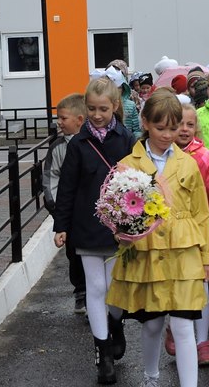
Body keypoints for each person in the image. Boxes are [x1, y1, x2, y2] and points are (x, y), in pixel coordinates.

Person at [106, 89, 209, 387]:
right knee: (153, 324)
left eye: (173, 128)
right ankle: (151, 376)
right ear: (145, 122)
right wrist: (122, 234)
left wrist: (207, 258)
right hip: (147, 252)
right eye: (160, 128)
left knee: (183, 325)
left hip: (184, 253)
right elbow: (117, 211)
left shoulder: (188, 163)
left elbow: (201, 213)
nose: (168, 135)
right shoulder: (128, 164)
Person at [53, 77, 134, 384]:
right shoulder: (78, 144)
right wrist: (61, 226)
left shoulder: (126, 139)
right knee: (96, 288)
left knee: (114, 288)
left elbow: (139, 182)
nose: (97, 115)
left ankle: (116, 325)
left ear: (114, 106)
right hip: (86, 226)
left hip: (117, 228)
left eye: (103, 109)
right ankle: (103, 354)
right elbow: (67, 188)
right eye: (91, 109)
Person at [163, 102, 209, 366]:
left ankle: (201, 343)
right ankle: (174, 326)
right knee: (172, 284)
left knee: (201, 285)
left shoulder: (205, 157)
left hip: (201, 232)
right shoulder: (162, 155)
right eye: (179, 124)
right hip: (168, 233)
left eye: (190, 124)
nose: (184, 129)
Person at [42, 93, 88, 313]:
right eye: (58, 118)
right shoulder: (57, 147)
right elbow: (51, 179)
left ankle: (97, 294)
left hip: (90, 210)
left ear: (79, 119)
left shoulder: (91, 143)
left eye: (63, 118)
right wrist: (57, 209)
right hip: (69, 213)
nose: (59, 122)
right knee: (74, 254)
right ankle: (81, 292)